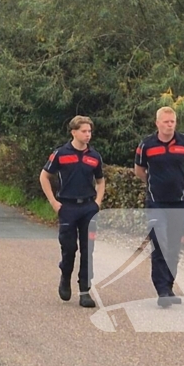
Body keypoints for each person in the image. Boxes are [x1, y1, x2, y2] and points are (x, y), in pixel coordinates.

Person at [135, 106, 184, 308]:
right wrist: (154, 184)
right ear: (158, 123)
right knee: (159, 242)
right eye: (166, 122)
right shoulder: (146, 144)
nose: (169, 125)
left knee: (173, 246)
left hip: (179, 202)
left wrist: (179, 184)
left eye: (172, 122)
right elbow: (139, 170)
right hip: (156, 203)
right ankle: (161, 289)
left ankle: (169, 286)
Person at [39, 115, 105, 308]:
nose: (88, 135)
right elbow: (44, 176)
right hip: (67, 207)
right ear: (74, 132)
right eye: (84, 131)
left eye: (90, 131)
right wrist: (53, 202)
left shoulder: (94, 156)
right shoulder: (60, 153)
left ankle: (85, 290)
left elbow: (101, 181)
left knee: (88, 250)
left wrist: (98, 202)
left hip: (88, 207)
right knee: (69, 248)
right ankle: (65, 276)